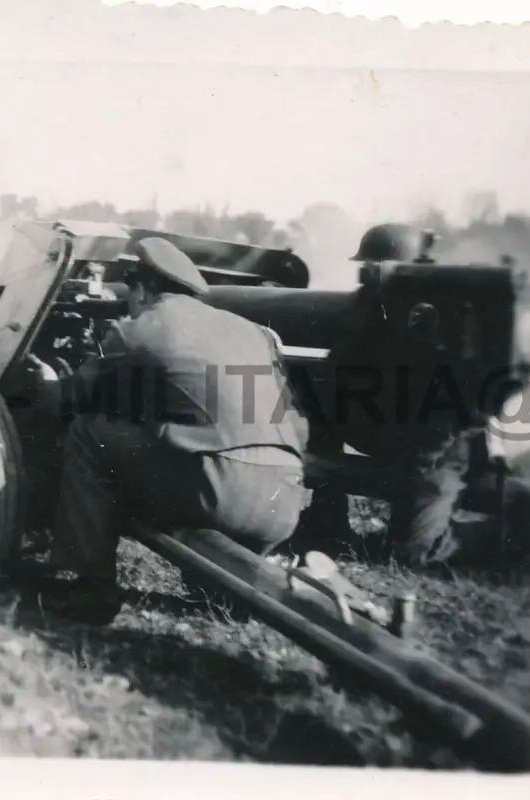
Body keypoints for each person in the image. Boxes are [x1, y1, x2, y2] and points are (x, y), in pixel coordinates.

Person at [20, 236, 312, 625]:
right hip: (283, 501)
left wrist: (46, 381)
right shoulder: (251, 332)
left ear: (141, 290)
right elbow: (290, 421)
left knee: (90, 433)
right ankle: (225, 593)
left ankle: (90, 586)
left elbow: (66, 402)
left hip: (220, 493)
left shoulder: (137, 330)